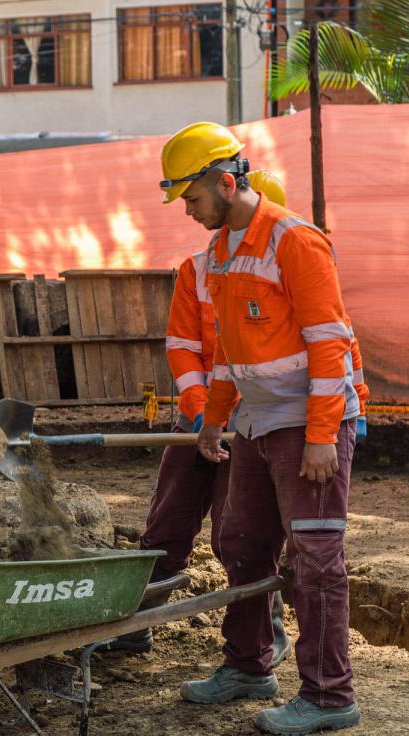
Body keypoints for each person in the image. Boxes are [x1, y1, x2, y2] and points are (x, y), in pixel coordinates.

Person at [159, 121, 369, 736]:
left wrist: (323, 434)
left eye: (193, 199)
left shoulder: (295, 241)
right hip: (254, 421)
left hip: (307, 422)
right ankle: (249, 666)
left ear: (226, 183)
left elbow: (330, 344)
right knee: (241, 541)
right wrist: (214, 422)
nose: (189, 212)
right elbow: (227, 352)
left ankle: (330, 697)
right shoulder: (221, 253)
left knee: (317, 556)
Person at [106, 171, 292, 666]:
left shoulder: (288, 261)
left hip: (251, 426)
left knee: (242, 537)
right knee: (166, 523)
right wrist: (197, 413)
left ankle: (264, 640)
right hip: (199, 423)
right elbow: (184, 346)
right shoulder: (198, 269)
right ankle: (135, 625)